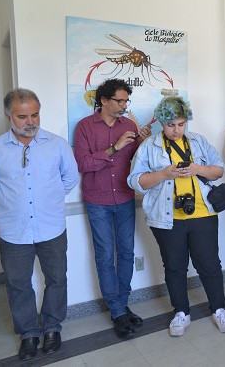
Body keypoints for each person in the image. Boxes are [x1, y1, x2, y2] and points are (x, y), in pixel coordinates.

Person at [0, 88, 79, 361]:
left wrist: (48, 199)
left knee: (56, 279)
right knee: (18, 284)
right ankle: (28, 333)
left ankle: (52, 327)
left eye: (34, 115)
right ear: (8, 116)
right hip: (14, 231)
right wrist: (15, 203)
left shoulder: (57, 145)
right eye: (22, 117)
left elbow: (70, 178)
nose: (30, 122)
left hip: (52, 227)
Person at [127, 96, 225, 336]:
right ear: (161, 123)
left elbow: (218, 170)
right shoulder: (149, 146)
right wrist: (163, 174)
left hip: (203, 214)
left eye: (181, 124)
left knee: (209, 264)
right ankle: (181, 312)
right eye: (171, 125)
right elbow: (135, 181)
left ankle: (219, 309)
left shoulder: (199, 142)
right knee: (174, 267)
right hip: (166, 219)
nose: (176, 130)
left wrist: (197, 169)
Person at [73, 78, 151, 338]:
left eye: (126, 101)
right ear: (104, 100)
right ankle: (117, 311)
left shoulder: (129, 125)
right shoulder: (85, 127)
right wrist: (114, 148)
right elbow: (83, 164)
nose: (124, 106)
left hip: (125, 197)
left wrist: (143, 142)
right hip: (98, 200)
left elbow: (137, 161)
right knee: (105, 256)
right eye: (119, 101)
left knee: (127, 253)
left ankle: (122, 305)